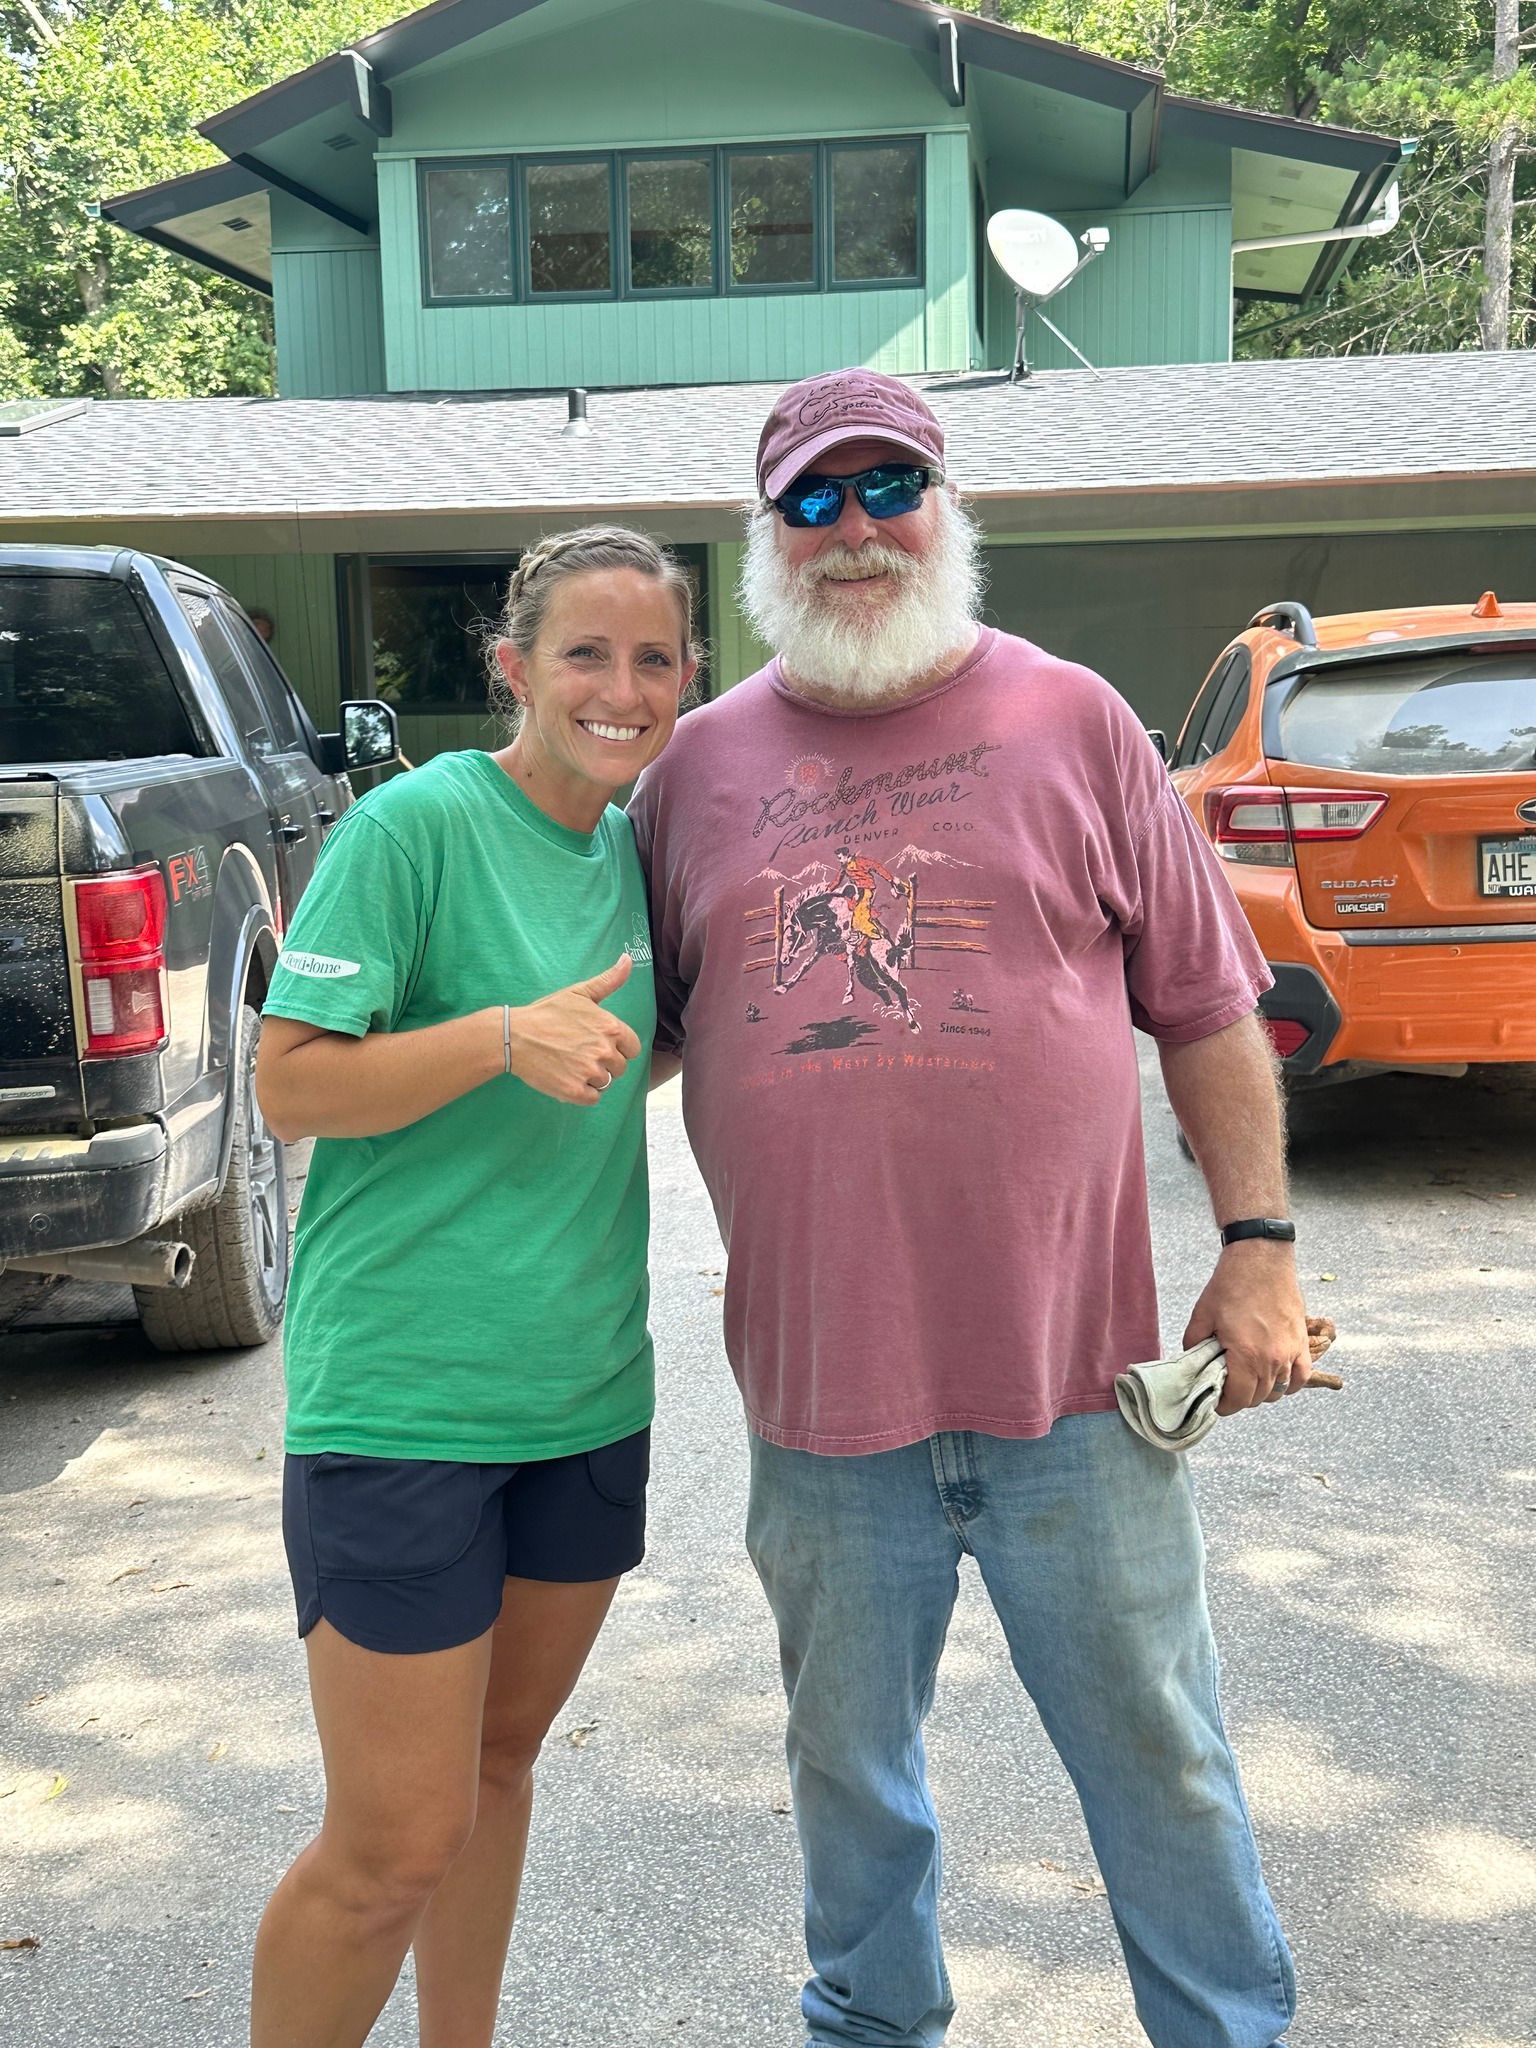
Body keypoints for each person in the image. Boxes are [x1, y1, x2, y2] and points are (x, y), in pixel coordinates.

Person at [631, 370, 1313, 2048]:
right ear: (766, 536)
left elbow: (1212, 1003)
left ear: (947, 506)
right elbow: (617, 1036)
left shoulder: (1074, 718)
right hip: (820, 1404)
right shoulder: (694, 774)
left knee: (1161, 1753)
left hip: (1073, 1387)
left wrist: (1261, 1249)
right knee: (852, 1784)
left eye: (889, 491)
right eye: (813, 501)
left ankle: (1226, 2030)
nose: (855, 531)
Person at [250, 525, 697, 2048]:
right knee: (389, 1845)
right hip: (406, 1402)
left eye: (654, 658)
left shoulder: (639, 851)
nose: (620, 688)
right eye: (586, 652)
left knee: (493, 1779)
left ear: (688, 682)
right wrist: (498, 1037)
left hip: (582, 1394)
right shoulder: (414, 830)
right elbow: (290, 1087)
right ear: (513, 669)